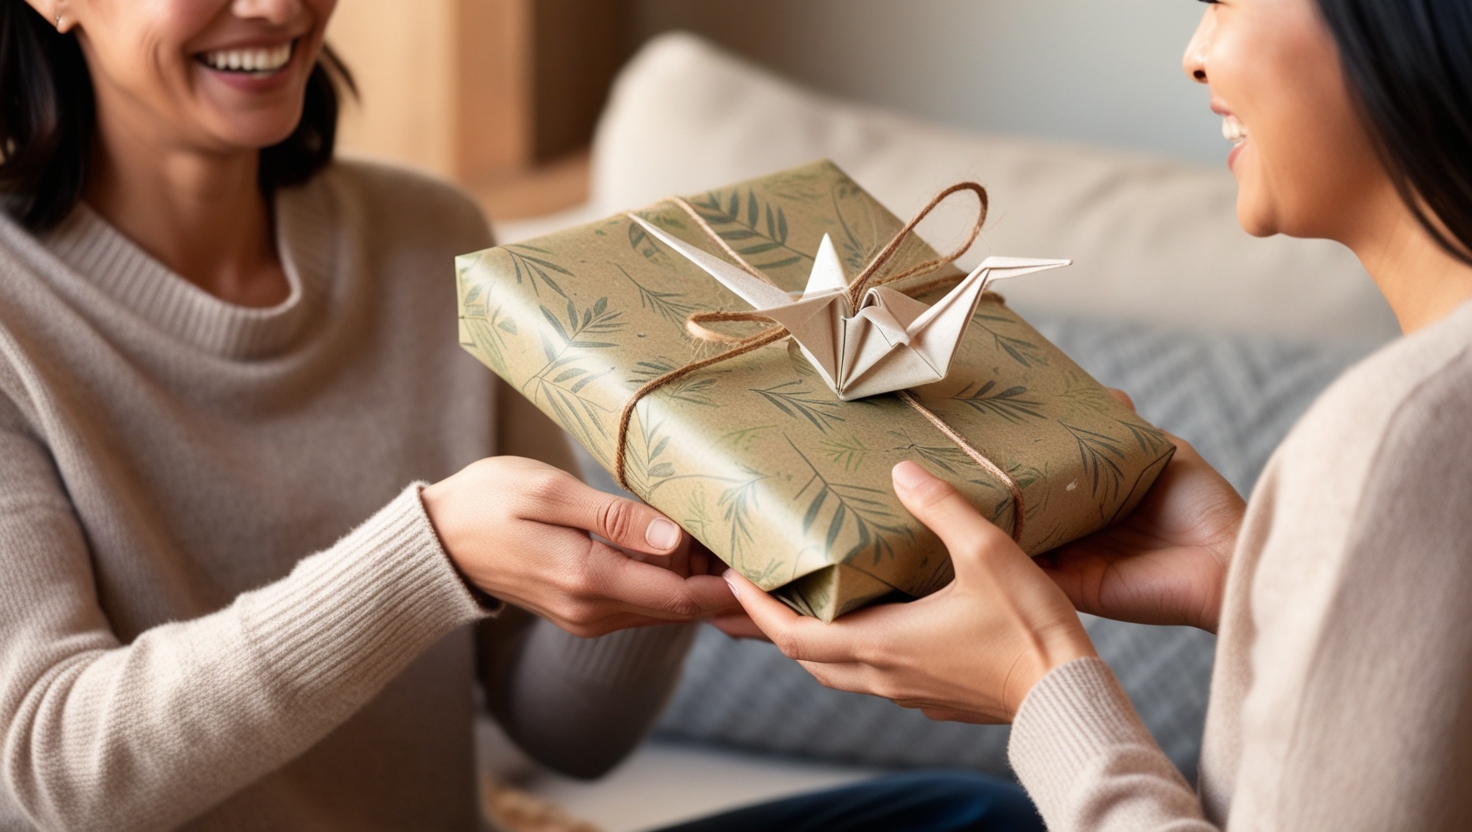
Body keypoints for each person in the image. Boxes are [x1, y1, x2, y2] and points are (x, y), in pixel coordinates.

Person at [0, 1, 1045, 829]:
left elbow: (565, 734)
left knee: (977, 815)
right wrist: (430, 553)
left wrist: (687, 520)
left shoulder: (427, 239)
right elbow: (47, 775)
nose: (275, 7)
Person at [724, 0, 1472, 828]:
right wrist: (1254, 587)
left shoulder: (1397, 435)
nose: (1196, 56)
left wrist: (1039, 682)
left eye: (1227, 2)